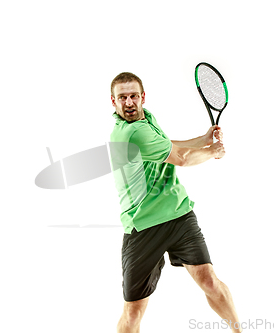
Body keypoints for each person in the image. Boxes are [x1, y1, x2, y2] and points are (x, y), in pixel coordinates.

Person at [109, 72, 242, 333]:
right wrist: (212, 152)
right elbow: (181, 159)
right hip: (143, 225)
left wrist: (203, 140)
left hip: (178, 213)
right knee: (133, 312)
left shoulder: (147, 119)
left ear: (142, 97)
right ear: (112, 102)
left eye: (133, 96)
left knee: (210, 281)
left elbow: (167, 146)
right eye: (122, 97)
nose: (129, 102)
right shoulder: (129, 133)